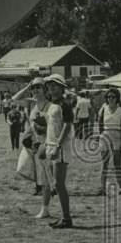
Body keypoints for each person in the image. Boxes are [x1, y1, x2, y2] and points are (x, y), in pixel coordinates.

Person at [39, 74, 74, 228]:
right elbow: (51, 127)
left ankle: (67, 218)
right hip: (51, 145)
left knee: (59, 184)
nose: (51, 88)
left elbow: (67, 126)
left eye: (55, 85)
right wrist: (46, 145)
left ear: (61, 88)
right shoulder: (52, 104)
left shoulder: (64, 105)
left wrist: (57, 146)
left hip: (60, 147)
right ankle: (64, 217)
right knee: (56, 183)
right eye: (49, 85)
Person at [97, 88, 121, 195]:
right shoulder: (103, 108)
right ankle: (102, 188)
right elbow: (99, 122)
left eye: (113, 97)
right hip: (105, 135)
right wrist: (101, 135)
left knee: (117, 163)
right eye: (109, 97)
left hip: (117, 136)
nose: (111, 99)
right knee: (104, 163)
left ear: (117, 98)